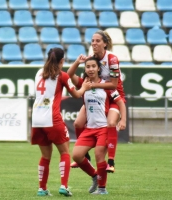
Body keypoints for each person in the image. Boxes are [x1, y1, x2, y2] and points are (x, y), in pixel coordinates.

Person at [31, 48, 91, 197]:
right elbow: (77, 94)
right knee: (64, 152)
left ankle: (42, 188)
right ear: (62, 61)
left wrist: (77, 62)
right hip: (52, 118)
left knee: (45, 156)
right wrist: (85, 87)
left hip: (37, 120)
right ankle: (64, 185)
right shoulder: (61, 76)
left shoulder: (39, 72)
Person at [67, 30, 126, 173]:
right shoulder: (92, 60)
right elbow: (71, 77)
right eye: (92, 40)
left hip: (113, 96)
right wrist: (79, 62)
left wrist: (92, 86)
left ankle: (111, 162)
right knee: (78, 123)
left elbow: (113, 84)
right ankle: (85, 156)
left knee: (111, 123)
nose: (94, 43)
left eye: (98, 40)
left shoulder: (112, 59)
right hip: (98, 96)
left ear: (105, 44)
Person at [71, 56, 126, 194]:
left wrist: (123, 119)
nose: (90, 69)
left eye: (93, 67)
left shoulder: (106, 86)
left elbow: (120, 102)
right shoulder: (83, 84)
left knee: (99, 156)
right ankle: (95, 176)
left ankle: (102, 188)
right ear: (85, 69)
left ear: (98, 69)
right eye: (88, 67)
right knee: (77, 156)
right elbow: (69, 75)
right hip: (89, 129)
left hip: (103, 129)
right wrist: (77, 62)